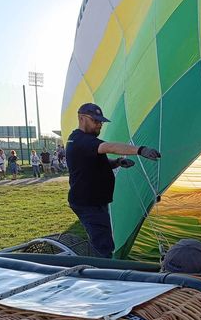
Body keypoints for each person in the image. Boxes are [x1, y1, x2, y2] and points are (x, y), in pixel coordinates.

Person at [66, 102, 161, 258]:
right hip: (89, 203)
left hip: (92, 201)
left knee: (101, 237)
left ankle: (98, 264)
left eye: (101, 122)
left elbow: (91, 163)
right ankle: (102, 273)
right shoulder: (82, 140)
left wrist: (117, 162)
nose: (99, 125)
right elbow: (110, 147)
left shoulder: (80, 140)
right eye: (95, 120)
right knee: (103, 245)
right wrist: (140, 150)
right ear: (82, 118)